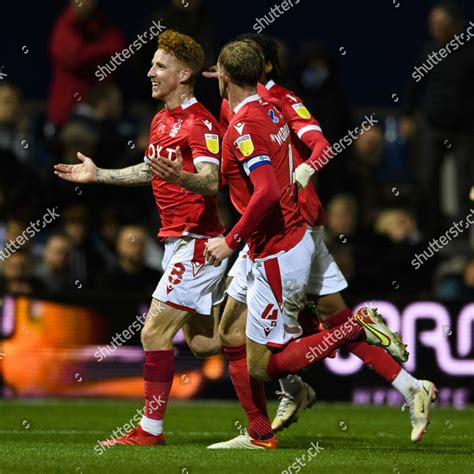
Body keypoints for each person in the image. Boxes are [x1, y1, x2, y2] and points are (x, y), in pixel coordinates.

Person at [207, 34, 435, 443]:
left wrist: (308, 169)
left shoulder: (282, 101)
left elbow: (318, 146)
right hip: (267, 231)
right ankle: (408, 387)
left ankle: (291, 393)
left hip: (292, 225)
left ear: (266, 68)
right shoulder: (238, 104)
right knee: (247, 330)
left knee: (317, 327)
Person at [54, 30, 226, 446]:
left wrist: (180, 176)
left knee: (153, 334)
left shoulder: (199, 121)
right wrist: (101, 176)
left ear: (184, 74)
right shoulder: (162, 118)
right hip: (176, 242)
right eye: (151, 64)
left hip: (197, 242)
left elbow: (210, 180)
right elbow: (151, 171)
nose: (149, 72)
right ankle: (301, 332)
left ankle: (150, 431)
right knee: (206, 345)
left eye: (159, 66)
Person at [400, 1, 474, 235]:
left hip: (464, 129)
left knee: (465, 184)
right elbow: (414, 85)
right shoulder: (430, 52)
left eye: (438, 24)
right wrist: (407, 115)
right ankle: (428, 232)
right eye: (432, 24)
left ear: (455, 25)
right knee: (426, 181)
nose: (433, 28)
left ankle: (462, 233)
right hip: (432, 126)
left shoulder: (470, 53)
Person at [47, 0, 125, 127]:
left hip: (101, 113)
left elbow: (119, 49)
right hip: (67, 114)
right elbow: (74, 57)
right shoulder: (64, 27)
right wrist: (102, 50)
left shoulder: (102, 25)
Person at [96, 225, 162, 294]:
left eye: (141, 243)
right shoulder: (106, 279)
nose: (138, 248)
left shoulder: (154, 277)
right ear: (119, 246)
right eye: (132, 244)